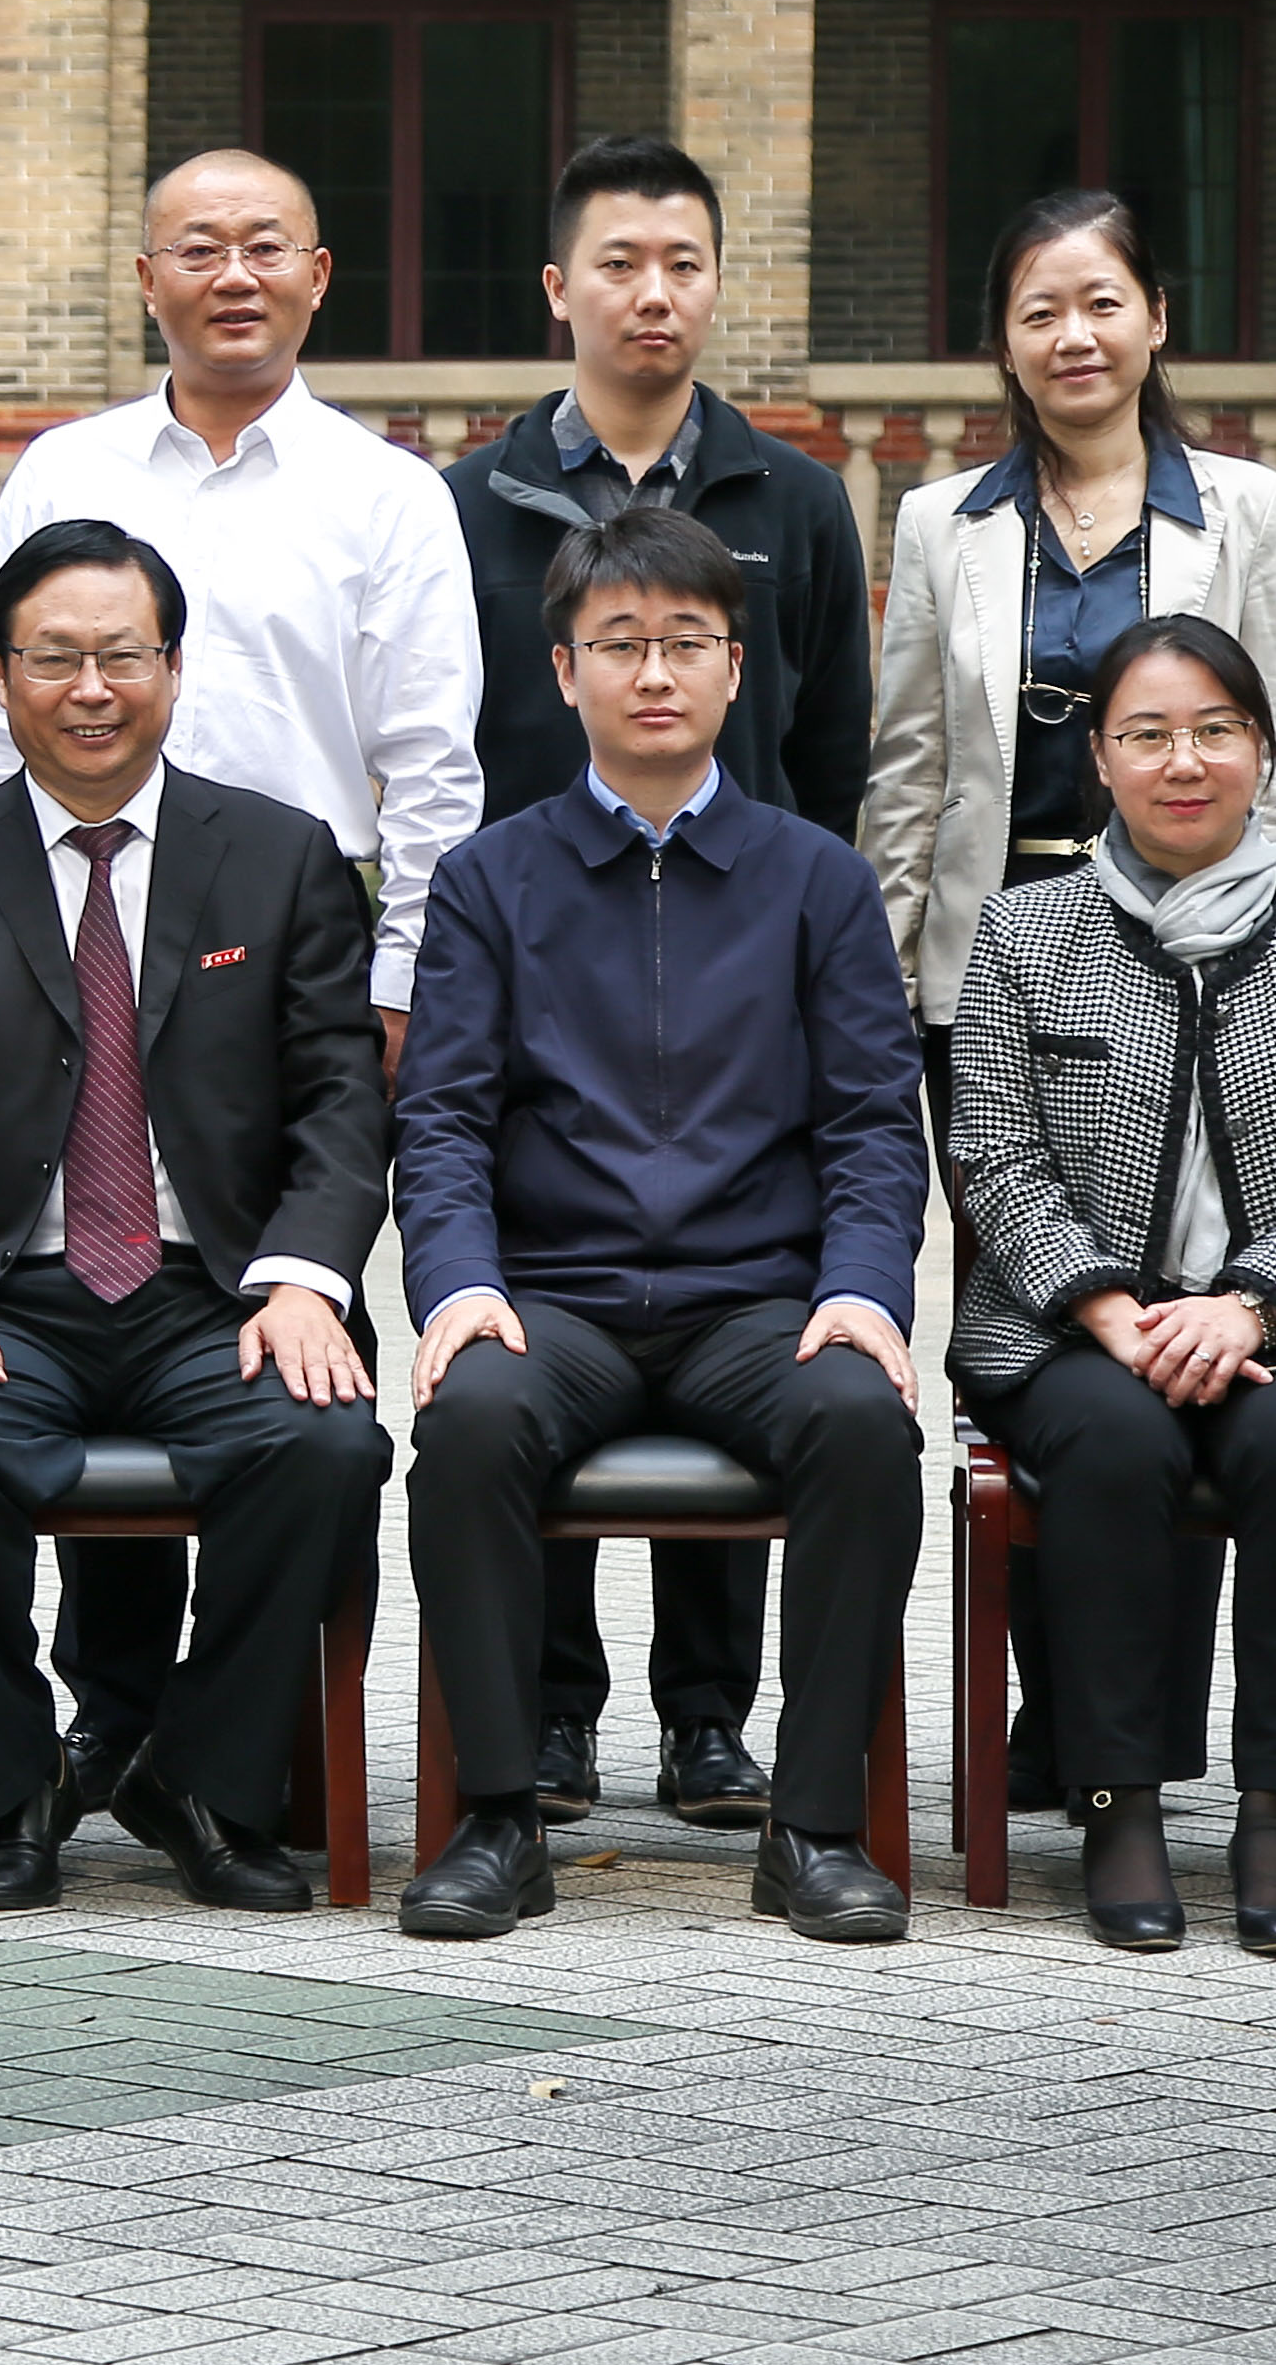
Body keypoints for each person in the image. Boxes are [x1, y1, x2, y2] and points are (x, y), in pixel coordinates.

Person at [0, 151, 474, 1821]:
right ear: (147, 278)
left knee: (268, 1325)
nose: (233, 276)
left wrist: (401, 985)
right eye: (198, 249)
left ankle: (237, 1747)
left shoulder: (387, 494)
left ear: (318, 275)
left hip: (283, 964)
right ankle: (114, 1717)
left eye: (265, 248)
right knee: (92, 1267)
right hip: (70, 938)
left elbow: (432, 770)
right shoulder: (68, 469)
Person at [0, 519, 395, 1913]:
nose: (91, 688)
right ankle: (16, 1780)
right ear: (1, 675)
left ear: (174, 667)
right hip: (3, 1296)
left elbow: (342, 1102)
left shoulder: (279, 857)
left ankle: (200, 1775)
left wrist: (305, 1280)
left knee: (325, 1443)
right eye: (55, 658)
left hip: (219, 1291)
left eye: (122, 655)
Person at [391, 506, 924, 1946]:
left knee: (863, 1420)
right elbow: (441, 1121)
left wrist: (862, 1291)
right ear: (564, 671)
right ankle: (498, 1817)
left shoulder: (816, 879)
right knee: (468, 1420)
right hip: (555, 1302)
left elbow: (874, 1124)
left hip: (755, 1305)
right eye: (619, 643)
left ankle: (815, 1825)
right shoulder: (489, 881)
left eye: (687, 642)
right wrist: (459, 1287)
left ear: (736, 670)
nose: (653, 673)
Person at [862, 183, 1276, 1809]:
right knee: (1042, 1332)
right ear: (1003, 341)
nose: (1075, 335)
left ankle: (1140, 1723)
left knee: (1190, 1317)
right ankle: (1059, 1709)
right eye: (1040, 310)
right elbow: (910, 773)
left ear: (1156, 320)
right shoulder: (945, 524)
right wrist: (883, 987)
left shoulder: (1242, 507)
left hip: (1207, 966)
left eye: (1102, 302)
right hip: (996, 978)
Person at [438, 133, 874, 1838]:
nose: (653, 292)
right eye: (620, 262)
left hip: (743, 924)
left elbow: (829, 748)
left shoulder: (794, 502)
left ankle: (711, 1722)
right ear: (562, 287)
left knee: (759, 1297)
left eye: (683, 261)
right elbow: (449, 732)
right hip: (544, 926)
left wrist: (792, 899)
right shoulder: (469, 504)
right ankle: (544, 1725)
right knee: (521, 1341)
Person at [943, 614, 1276, 1959]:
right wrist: (1108, 1309)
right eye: (1147, 734)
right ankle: (1118, 1804)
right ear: (1099, 759)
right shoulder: (1024, 932)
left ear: (1262, 750)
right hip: (1070, 1332)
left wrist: (1249, 1306)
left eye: (1215, 730)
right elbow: (991, 1152)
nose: (1184, 760)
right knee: (1116, 1440)